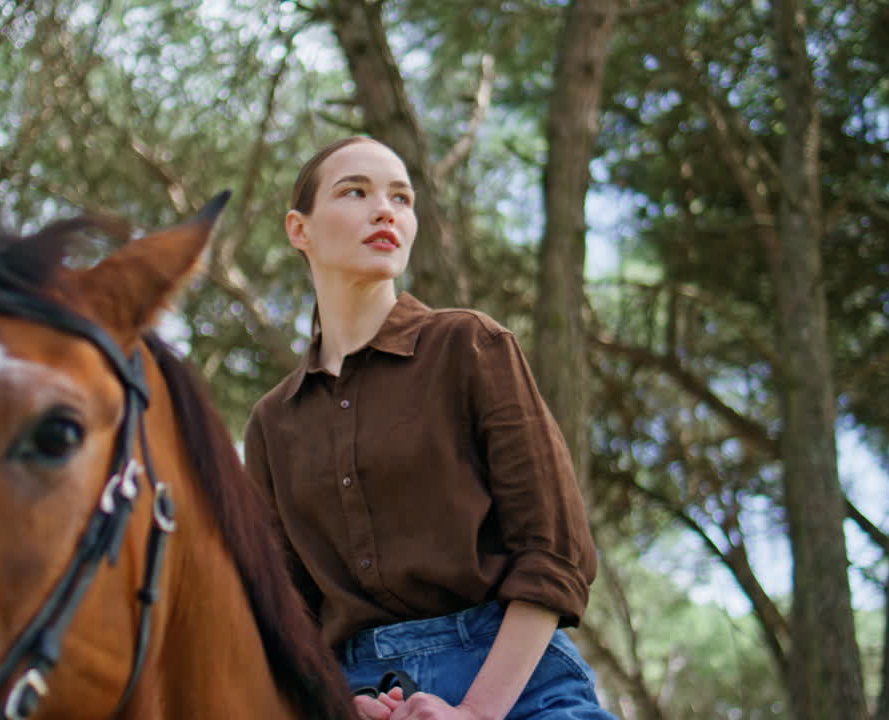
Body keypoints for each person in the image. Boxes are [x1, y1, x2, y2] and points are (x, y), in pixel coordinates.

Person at [243, 136, 615, 720]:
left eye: (402, 197)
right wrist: (338, 702)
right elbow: (284, 612)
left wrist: (476, 713)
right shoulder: (272, 422)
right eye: (355, 191)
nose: (386, 210)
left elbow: (554, 551)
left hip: (518, 687)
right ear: (300, 229)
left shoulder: (471, 346)